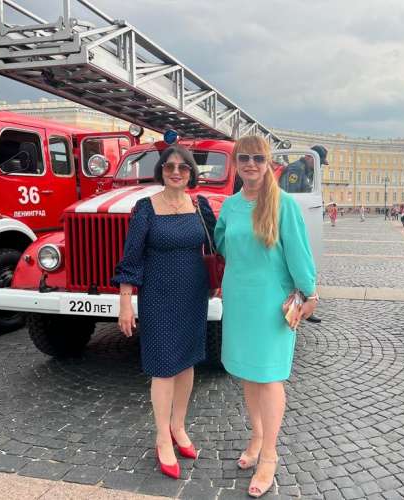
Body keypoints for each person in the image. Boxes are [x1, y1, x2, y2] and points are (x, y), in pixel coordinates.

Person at [214, 136, 317, 498]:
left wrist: (310, 292)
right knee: (248, 371)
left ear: (268, 163)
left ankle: (269, 454)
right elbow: (223, 244)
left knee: (270, 376)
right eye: (244, 158)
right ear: (236, 164)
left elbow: (299, 254)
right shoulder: (229, 206)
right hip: (241, 300)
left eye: (258, 158)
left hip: (273, 303)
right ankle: (256, 436)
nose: (251, 164)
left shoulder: (284, 204)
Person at [112, 145, 216, 480]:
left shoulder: (199, 206)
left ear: (191, 173)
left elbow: (221, 243)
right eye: (169, 166)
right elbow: (131, 258)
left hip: (193, 295)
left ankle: (178, 426)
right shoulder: (146, 208)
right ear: (161, 170)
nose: (175, 172)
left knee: (187, 362)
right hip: (158, 296)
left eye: (182, 167)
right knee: (163, 366)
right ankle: (162, 437)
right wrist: (125, 301)